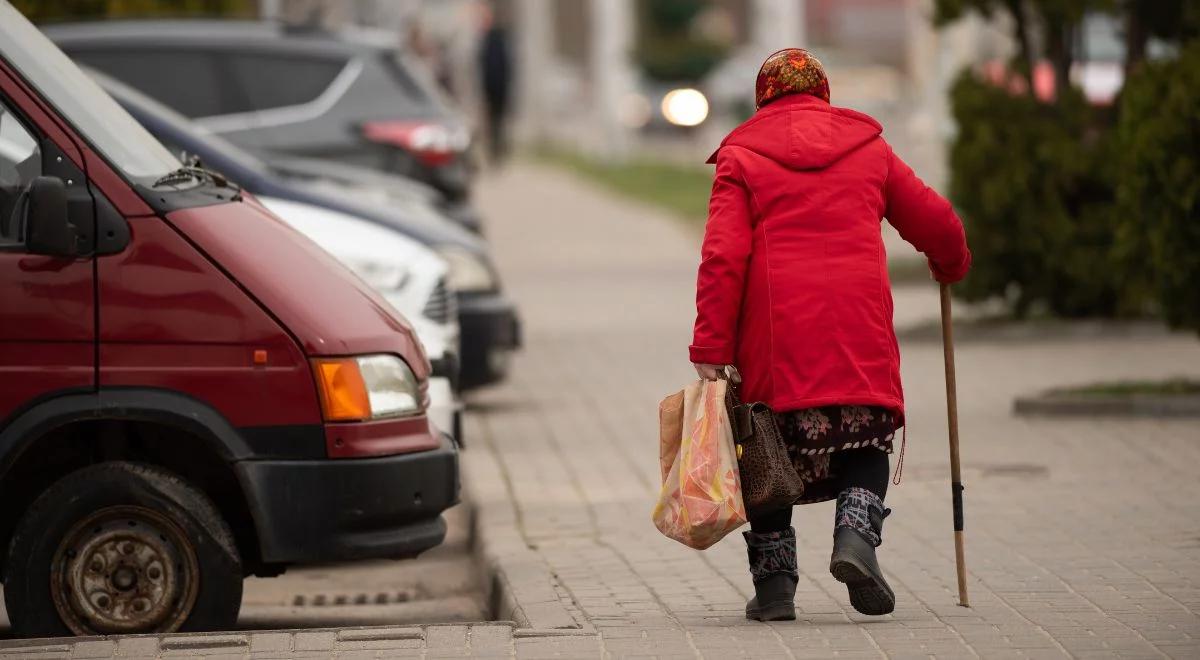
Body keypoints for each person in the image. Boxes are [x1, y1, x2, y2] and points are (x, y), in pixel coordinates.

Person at [690, 48, 971, 621]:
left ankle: (775, 592)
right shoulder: (868, 149)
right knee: (863, 440)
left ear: (763, 96)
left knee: (766, 457)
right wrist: (950, 263)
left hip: (776, 340)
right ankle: (856, 540)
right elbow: (937, 220)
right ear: (823, 93)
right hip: (857, 330)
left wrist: (712, 348)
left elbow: (723, 257)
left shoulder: (742, 156)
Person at [477, 2, 513, 164]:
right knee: (494, 121)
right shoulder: (491, 40)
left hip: (497, 88)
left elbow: (502, 66)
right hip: (494, 88)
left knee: (497, 120)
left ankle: (497, 150)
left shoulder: (495, 40)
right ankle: (495, 150)